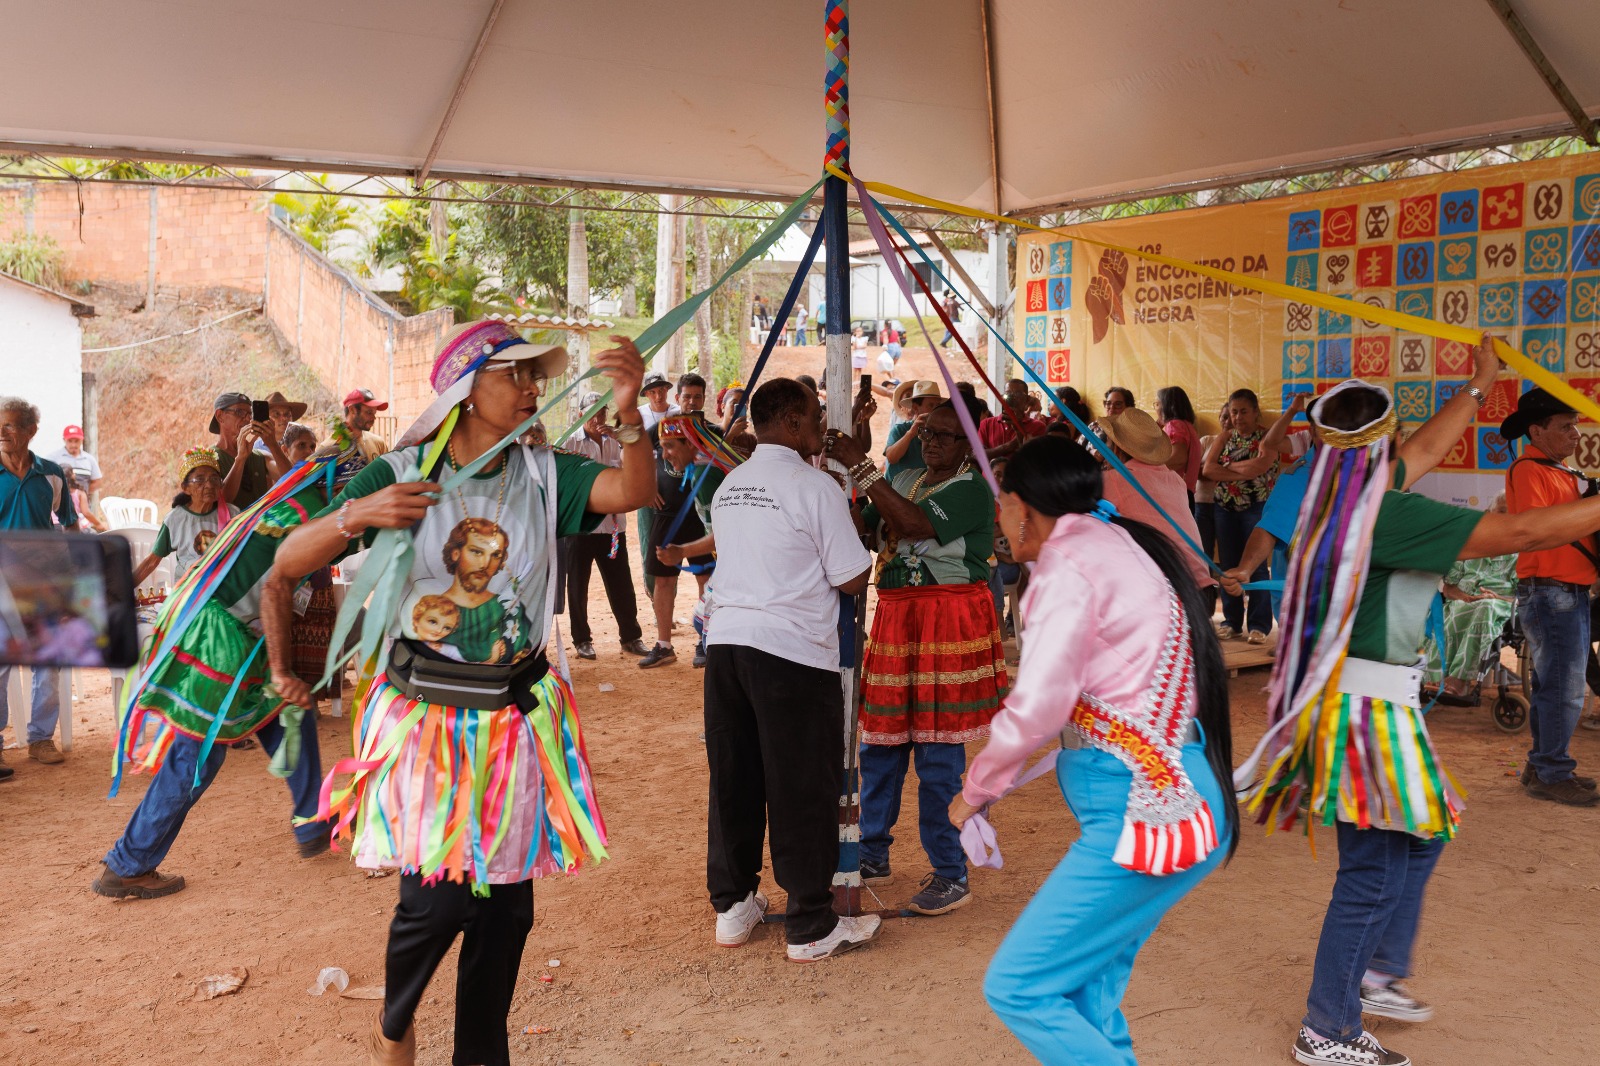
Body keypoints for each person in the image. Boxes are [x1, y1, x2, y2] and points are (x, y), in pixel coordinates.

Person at [266, 319, 655, 1066]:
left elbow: (631, 491)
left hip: (515, 719)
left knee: (506, 909)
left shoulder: (547, 474)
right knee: (439, 897)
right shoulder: (404, 472)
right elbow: (287, 559)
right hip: (428, 719)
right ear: (465, 388)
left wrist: (630, 411)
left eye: (534, 375)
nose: (531, 388)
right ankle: (395, 1021)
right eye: (514, 374)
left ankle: (482, 1052)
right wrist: (360, 513)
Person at [1226, 373, 1600, 1066]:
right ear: (1383, 442)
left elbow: (1425, 447)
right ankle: (1328, 1027)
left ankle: (1368, 977)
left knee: (1421, 837)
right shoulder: (1382, 511)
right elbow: (1517, 531)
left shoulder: (1335, 486)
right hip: (1364, 712)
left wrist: (1479, 386)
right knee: (1371, 871)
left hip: (1363, 705)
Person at [950, 434, 1236, 1064]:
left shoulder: (1068, 567)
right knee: (1087, 996)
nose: (999, 518)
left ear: (1023, 506)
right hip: (1160, 789)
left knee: (1019, 986)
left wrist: (974, 792)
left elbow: (1037, 707)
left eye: (1002, 502)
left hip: (1142, 804)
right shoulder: (1110, 542)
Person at [90, 435, 371, 901]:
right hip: (217, 634)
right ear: (347, 486)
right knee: (197, 756)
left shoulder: (296, 500)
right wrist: (281, 668)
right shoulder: (312, 517)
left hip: (226, 627)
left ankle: (312, 824)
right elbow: (273, 591)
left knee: (288, 713)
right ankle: (128, 863)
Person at [700, 377, 881, 960]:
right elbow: (850, 577)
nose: (822, 425)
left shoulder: (731, 485)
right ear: (795, 425)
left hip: (726, 647)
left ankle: (733, 906)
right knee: (802, 783)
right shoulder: (814, 486)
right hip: (791, 653)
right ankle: (810, 923)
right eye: (816, 415)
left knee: (736, 779)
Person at [829, 402, 1008, 916]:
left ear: (969, 447)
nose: (931, 442)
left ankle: (951, 872)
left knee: (936, 755)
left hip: (945, 620)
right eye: (926, 431)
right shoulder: (905, 477)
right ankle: (871, 853)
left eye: (946, 437)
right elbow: (862, 530)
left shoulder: (974, 489)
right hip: (897, 618)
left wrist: (863, 469)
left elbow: (909, 525)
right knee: (881, 745)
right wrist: (843, 482)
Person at [1501, 387, 1600, 806]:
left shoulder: (1560, 472)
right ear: (1537, 431)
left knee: (1553, 684)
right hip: (1552, 590)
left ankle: (1542, 764)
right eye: (1566, 426)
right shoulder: (1530, 470)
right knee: (1564, 687)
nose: (1576, 434)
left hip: (1564, 590)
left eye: (1576, 424)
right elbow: (1539, 527)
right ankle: (1552, 770)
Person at [0, 396, 77, 771]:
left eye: (11, 425)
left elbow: (70, 525)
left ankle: (40, 738)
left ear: (31, 430)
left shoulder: (52, 473)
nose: (2, 432)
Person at [558, 391, 647, 660]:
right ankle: (582, 640)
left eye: (602, 411)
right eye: (592, 412)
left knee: (621, 583)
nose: (598, 418)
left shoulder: (617, 442)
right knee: (577, 585)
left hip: (612, 529)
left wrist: (622, 440)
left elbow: (633, 472)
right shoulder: (569, 444)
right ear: (580, 414)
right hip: (580, 529)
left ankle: (631, 637)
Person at [1097, 409, 1214, 590]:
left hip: (1167, 589)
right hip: (1200, 583)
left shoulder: (1114, 480)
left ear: (1117, 450)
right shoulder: (1175, 479)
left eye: (1108, 443)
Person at [640, 415, 721, 669]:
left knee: (708, 596)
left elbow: (724, 535)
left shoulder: (704, 475)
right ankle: (670, 645)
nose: (664, 455)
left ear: (690, 443)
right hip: (669, 520)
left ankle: (709, 644)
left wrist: (683, 551)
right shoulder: (701, 469)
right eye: (661, 447)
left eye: (670, 446)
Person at [1424, 498, 1517, 705]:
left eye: (1511, 512)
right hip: (1464, 602)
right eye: (1501, 511)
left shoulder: (1520, 551)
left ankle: (1458, 679)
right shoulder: (1470, 545)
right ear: (1488, 513)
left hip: (1501, 606)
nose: (1506, 517)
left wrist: (1496, 597)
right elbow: (1448, 587)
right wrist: (1464, 597)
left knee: (1485, 607)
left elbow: (1523, 596)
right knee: (1452, 610)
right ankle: (1435, 677)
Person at [1204, 388, 1278, 643]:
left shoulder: (1268, 436)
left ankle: (1259, 625)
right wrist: (1243, 471)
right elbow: (1208, 469)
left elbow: (1261, 466)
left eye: (1244, 411)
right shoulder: (1224, 437)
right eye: (1234, 412)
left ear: (1256, 412)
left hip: (1256, 507)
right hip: (1224, 507)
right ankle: (1231, 622)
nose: (1238, 417)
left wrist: (1226, 468)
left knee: (1255, 567)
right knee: (1227, 566)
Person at [133, 447, 230, 585]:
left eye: (214, 479)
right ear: (186, 488)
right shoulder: (174, 520)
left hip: (223, 591)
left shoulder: (232, 514)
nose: (209, 485)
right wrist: (122, 592)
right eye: (200, 480)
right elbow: (152, 561)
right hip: (188, 594)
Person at [209, 392, 280, 508]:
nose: (247, 418)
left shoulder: (260, 456)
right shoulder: (209, 458)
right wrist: (240, 459)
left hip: (261, 524)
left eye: (250, 414)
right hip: (230, 526)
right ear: (220, 416)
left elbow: (294, 480)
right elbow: (222, 500)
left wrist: (273, 445)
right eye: (239, 412)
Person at [883, 380, 943, 483]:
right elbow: (891, 458)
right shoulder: (900, 430)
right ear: (916, 408)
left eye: (937, 406)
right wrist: (910, 434)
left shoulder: (941, 432)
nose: (935, 410)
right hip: (896, 492)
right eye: (931, 405)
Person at [1155, 386, 1201, 506]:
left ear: (1167, 406)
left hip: (1174, 492)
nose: (1156, 409)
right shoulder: (1188, 426)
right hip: (1186, 492)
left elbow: (1179, 458)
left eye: (1157, 404)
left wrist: (1150, 469)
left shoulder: (1174, 425)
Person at [979, 380, 1049, 459]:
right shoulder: (986, 424)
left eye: (1018, 394)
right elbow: (977, 455)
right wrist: (1010, 446)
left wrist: (1019, 427)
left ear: (1027, 399)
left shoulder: (1038, 426)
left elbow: (1036, 457)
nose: (1012, 398)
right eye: (1008, 394)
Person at [255, 391, 309, 477]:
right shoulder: (256, 448)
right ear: (265, 418)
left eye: (287, 414)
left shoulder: (301, 445)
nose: (284, 418)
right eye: (276, 414)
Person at [47, 424, 103, 495]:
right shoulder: (53, 458)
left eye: (76, 441)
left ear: (82, 440)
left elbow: (97, 482)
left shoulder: (89, 459)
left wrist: (82, 493)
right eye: (70, 441)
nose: (73, 445)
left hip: (82, 504)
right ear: (64, 440)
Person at [342, 388, 391, 462]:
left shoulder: (379, 444)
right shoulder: (328, 450)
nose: (374, 418)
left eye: (374, 413)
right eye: (369, 412)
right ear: (352, 410)